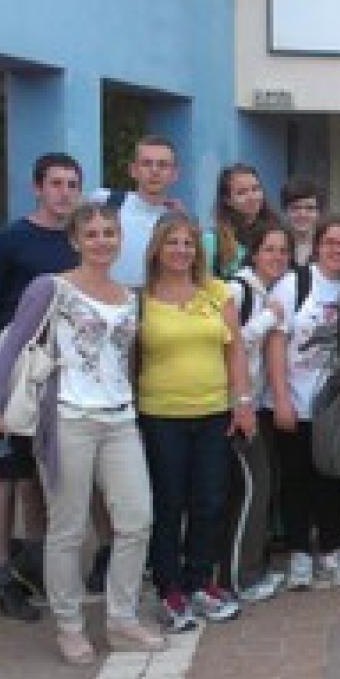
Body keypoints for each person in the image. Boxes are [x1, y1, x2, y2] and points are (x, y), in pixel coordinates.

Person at [0, 203, 165, 664]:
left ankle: (122, 618)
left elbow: (124, 362)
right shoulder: (51, 288)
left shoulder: (128, 295)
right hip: (67, 418)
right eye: (93, 234)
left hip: (119, 419)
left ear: (120, 239)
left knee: (137, 519)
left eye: (109, 233)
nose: (102, 241)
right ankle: (70, 625)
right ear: (76, 241)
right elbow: (11, 346)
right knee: (68, 527)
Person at [0, 152, 83, 621]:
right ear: (37, 187)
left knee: (40, 471)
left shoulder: (79, 242)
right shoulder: (7, 240)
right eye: (56, 183)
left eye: (72, 184)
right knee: (3, 472)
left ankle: (35, 559)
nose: (64, 192)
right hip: (11, 371)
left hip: (58, 374)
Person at [138, 213, 256, 631]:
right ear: (157, 248)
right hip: (160, 416)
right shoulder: (140, 298)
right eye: (173, 243)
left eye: (188, 243)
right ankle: (170, 589)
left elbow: (236, 350)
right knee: (168, 504)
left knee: (210, 501)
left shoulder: (216, 292)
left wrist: (242, 401)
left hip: (213, 414)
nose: (181, 251)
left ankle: (201, 581)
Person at [267, 216, 340, 591]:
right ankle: (299, 553)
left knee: (331, 479)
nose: (337, 249)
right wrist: (281, 398)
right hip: (297, 400)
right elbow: (275, 343)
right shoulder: (295, 283)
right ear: (317, 246)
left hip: (335, 406)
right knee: (295, 481)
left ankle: (330, 549)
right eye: (330, 242)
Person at [221, 222, 290, 602]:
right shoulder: (238, 289)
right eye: (269, 249)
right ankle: (240, 577)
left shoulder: (268, 290)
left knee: (257, 486)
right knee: (252, 488)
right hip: (234, 405)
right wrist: (269, 317)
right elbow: (230, 342)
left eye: (283, 251)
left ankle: (249, 568)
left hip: (253, 405)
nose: (276, 257)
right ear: (254, 252)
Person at [89, 135, 181, 288]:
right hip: (106, 304)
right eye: (146, 164)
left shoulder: (178, 220)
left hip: (156, 306)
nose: (154, 171)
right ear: (133, 170)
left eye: (163, 165)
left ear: (174, 174)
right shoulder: (105, 201)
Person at [203, 163, 280, 278]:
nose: (252, 197)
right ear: (227, 200)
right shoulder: (212, 241)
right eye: (242, 192)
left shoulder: (278, 233)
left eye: (255, 189)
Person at [280, 175, 322, 267]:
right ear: (285, 211)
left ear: (319, 212)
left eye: (310, 208)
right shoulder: (273, 247)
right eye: (295, 208)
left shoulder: (328, 249)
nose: (302, 214)